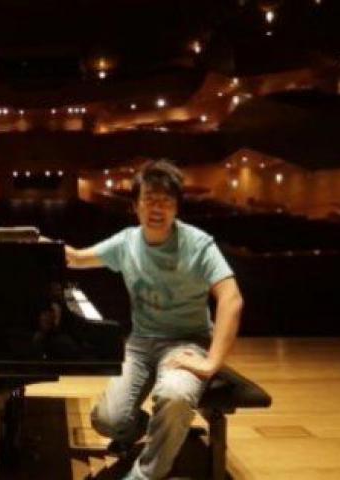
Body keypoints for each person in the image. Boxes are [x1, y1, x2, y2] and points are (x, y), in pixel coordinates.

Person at [64, 160, 243, 480]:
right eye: (149, 199)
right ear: (135, 206)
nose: (157, 208)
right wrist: (33, 244)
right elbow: (77, 258)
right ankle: (160, 433)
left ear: (177, 207)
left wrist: (212, 362)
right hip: (141, 344)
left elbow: (232, 299)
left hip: (187, 343)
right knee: (108, 421)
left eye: (166, 201)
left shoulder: (198, 244)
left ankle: (146, 474)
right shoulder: (126, 242)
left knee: (175, 395)